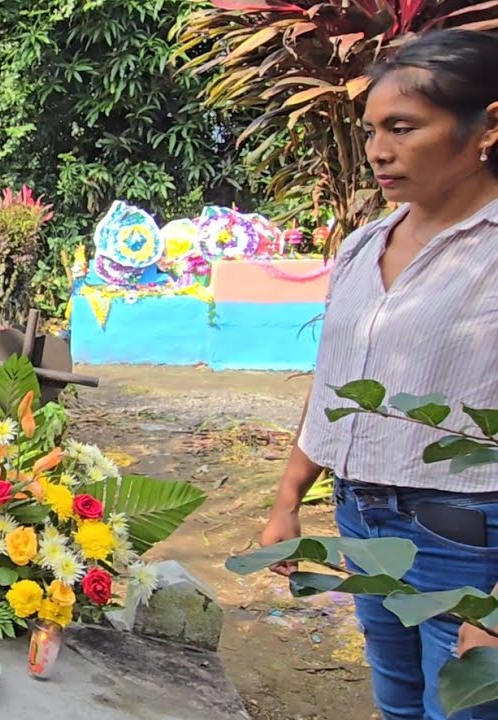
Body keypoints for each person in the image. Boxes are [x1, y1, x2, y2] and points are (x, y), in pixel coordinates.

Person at [260, 29, 498, 720]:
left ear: (487, 126)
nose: (378, 151)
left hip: (468, 540)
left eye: (403, 128)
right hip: (362, 518)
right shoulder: (366, 245)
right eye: (371, 131)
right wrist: (287, 500)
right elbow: (335, 383)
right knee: (397, 703)